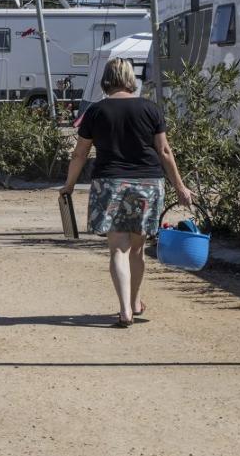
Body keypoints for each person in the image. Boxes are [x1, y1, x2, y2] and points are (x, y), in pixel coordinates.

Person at [61, 58, 192, 328]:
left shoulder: (95, 112)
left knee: (117, 250)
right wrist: (180, 187)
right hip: (148, 183)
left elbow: (80, 153)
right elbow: (165, 151)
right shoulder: (150, 109)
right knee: (137, 250)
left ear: (106, 79)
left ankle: (125, 310)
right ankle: (135, 301)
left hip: (109, 183)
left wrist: (69, 185)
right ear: (131, 78)